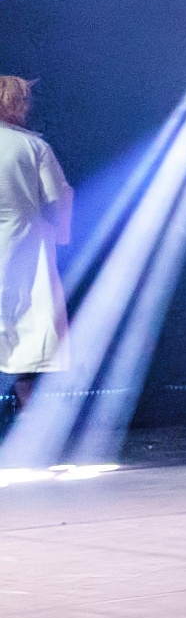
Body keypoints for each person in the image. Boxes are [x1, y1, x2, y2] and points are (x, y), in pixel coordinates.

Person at [0, 74, 68, 430]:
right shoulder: (32, 146)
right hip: (25, 248)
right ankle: (31, 428)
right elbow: (60, 196)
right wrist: (62, 234)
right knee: (28, 333)